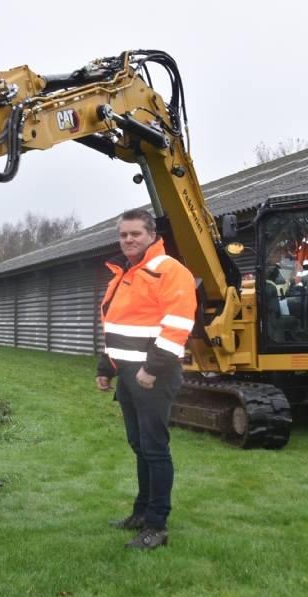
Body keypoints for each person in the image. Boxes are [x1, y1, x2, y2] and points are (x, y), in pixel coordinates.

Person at [96, 208, 197, 550]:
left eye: (135, 234)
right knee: (139, 447)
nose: (128, 240)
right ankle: (140, 514)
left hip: (155, 376)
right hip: (128, 376)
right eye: (124, 235)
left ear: (152, 235)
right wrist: (106, 368)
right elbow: (119, 327)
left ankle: (157, 525)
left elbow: (177, 327)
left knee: (155, 449)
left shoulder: (169, 271)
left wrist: (151, 370)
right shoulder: (126, 273)